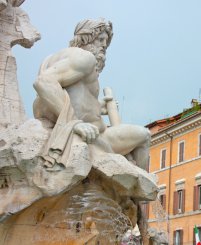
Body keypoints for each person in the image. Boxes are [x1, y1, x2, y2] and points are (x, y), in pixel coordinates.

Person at [33, 19, 150, 170]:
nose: (103, 46)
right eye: (100, 39)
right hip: (93, 136)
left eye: (106, 42)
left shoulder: (51, 59)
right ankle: (139, 189)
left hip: (86, 131)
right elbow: (43, 83)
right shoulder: (84, 58)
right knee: (144, 134)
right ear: (86, 38)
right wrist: (75, 123)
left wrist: (97, 107)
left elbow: (63, 95)